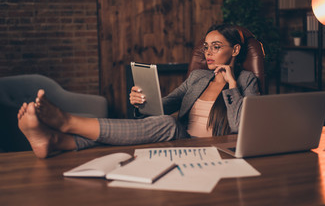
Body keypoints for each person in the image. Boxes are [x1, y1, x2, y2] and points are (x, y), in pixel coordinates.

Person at [17, 23, 260, 158]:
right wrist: (144, 102)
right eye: (206, 47)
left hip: (215, 150)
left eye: (216, 47)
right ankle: (58, 140)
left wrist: (232, 86)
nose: (207, 53)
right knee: (166, 121)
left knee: (168, 124)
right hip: (179, 140)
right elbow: (166, 105)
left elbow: (241, 127)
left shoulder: (247, 81)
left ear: (236, 50)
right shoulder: (198, 77)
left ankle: (67, 124)